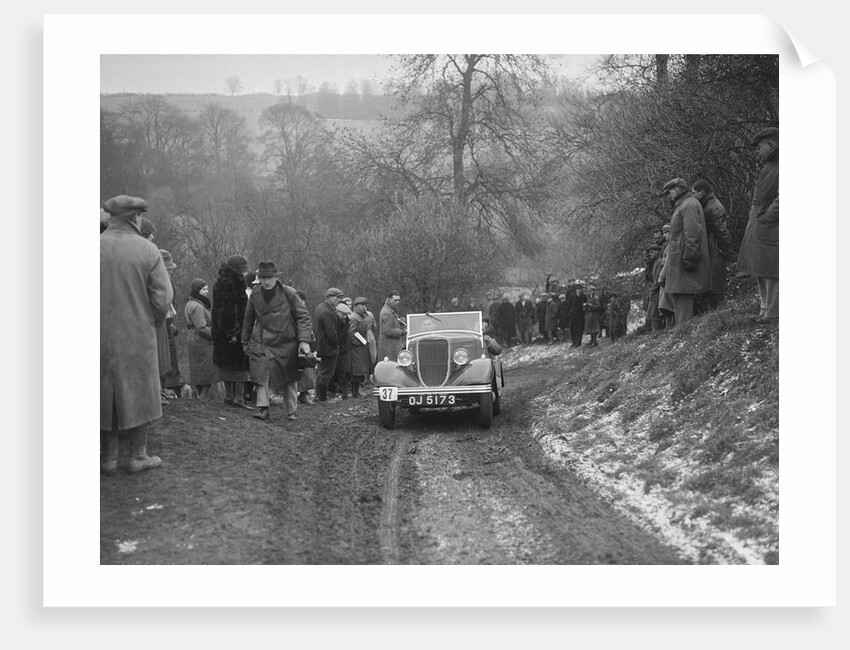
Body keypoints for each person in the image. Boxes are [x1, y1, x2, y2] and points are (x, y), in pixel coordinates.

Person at [100, 194, 172, 475]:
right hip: (137, 334)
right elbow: (163, 298)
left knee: (102, 390)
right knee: (139, 389)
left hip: (97, 336)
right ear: (135, 218)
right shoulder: (148, 251)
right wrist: (151, 321)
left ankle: (107, 458)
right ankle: (137, 456)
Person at [242, 261, 313, 422]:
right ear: (259, 278)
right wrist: (245, 340)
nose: (266, 281)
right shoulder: (255, 294)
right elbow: (248, 318)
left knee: (288, 376)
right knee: (261, 373)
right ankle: (263, 407)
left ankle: (291, 410)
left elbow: (303, 316)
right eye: (263, 278)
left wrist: (304, 341)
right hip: (261, 340)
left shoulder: (288, 293)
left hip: (285, 341)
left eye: (269, 278)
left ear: (276, 277)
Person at [736, 127, 779, 323]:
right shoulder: (770, 165)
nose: (757, 152)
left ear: (771, 145)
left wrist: (768, 217)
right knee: (760, 268)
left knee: (772, 270)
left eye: (759, 147)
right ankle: (765, 308)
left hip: (771, 225)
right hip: (761, 224)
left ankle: (773, 311)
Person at [659, 178, 710, 327]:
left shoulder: (688, 205)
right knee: (680, 307)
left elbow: (693, 235)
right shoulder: (685, 205)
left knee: (683, 311)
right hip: (680, 264)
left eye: (669, 192)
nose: (668, 196)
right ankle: (682, 336)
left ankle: (683, 337)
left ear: (677, 190)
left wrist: (689, 259)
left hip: (684, 265)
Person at [211, 254, 254, 410]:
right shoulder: (231, 283)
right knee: (239, 365)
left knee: (226, 364)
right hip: (232, 330)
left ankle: (229, 396)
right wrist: (233, 332)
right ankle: (239, 398)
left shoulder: (221, 282)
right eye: (243, 271)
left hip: (220, 330)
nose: (245, 274)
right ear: (237, 270)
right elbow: (228, 310)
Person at [692, 179, 733, 312]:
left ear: (702, 192)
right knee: (711, 282)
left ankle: (715, 314)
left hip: (714, 248)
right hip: (710, 247)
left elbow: (722, 231)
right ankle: (712, 313)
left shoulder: (714, 206)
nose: (692, 196)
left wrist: (725, 249)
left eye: (694, 193)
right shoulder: (707, 204)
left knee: (715, 283)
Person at [157, 249, 185, 399]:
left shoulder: (168, 281)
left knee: (168, 357)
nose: (170, 272)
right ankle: (162, 389)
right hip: (158, 323)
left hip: (166, 323)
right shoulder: (157, 280)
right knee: (160, 355)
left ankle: (164, 389)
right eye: (168, 269)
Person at [184, 278, 218, 399]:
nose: (206, 292)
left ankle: (200, 398)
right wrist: (215, 337)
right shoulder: (197, 306)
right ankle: (202, 399)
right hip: (202, 341)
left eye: (207, 289)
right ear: (197, 291)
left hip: (195, 339)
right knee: (207, 371)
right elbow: (201, 328)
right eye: (204, 289)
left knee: (199, 371)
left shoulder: (191, 303)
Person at [313, 287, 343, 402]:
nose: (339, 300)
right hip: (328, 347)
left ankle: (318, 396)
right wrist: (336, 345)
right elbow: (331, 333)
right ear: (329, 298)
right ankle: (322, 397)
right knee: (326, 373)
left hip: (321, 345)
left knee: (321, 371)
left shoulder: (320, 307)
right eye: (337, 298)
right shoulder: (328, 311)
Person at [296, 289, 317, 405]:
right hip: (297, 344)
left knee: (308, 371)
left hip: (307, 345)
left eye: (304, 301)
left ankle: (303, 395)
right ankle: (293, 396)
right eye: (301, 300)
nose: (303, 303)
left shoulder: (305, 312)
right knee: (296, 372)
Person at [349, 297, 372, 398]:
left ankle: (357, 391)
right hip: (356, 348)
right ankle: (354, 392)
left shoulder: (362, 316)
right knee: (356, 370)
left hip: (362, 346)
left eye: (365, 305)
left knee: (361, 370)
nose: (364, 307)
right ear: (356, 306)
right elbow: (351, 333)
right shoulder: (354, 317)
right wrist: (359, 343)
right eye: (362, 305)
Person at [377, 290, 407, 363]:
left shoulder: (390, 310)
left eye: (398, 300)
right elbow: (388, 331)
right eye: (395, 300)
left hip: (391, 346)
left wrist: (399, 321)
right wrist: (402, 332)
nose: (398, 302)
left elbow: (391, 323)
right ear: (389, 300)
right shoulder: (387, 313)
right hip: (389, 348)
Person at [568, 283, 587, 347]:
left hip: (580, 314)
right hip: (573, 314)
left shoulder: (583, 296)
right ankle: (574, 342)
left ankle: (578, 342)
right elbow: (569, 304)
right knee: (572, 328)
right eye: (578, 289)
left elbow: (585, 304)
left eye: (580, 289)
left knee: (579, 328)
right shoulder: (571, 295)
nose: (579, 290)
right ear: (576, 290)